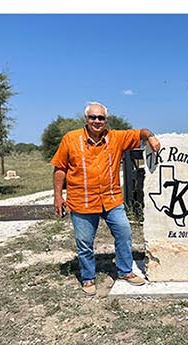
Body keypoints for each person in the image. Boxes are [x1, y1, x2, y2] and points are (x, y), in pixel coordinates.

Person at [51, 101, 161, 295]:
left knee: (124, 233)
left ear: (106, 120)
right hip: (82, 201)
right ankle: (88, 278)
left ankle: (125, 271)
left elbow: (141, 132)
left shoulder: (116, 138)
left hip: (111, 200)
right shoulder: (71, 139)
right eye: (93, 117)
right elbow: (60, 168)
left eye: (101, 118)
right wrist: (58, 196)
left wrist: (150, 137)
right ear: (86, 119)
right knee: (84, 243)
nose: (97, 121)